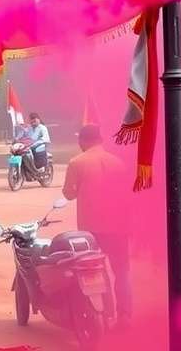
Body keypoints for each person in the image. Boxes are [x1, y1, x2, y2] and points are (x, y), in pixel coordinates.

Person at [62, 124, 132, 326]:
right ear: (100, 140)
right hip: (119, 227)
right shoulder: (118, 162)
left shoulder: (77, 162)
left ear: (82, 141)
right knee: (122, 271)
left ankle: (102, 314)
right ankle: (125, 315)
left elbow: (69, 193)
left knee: (94, 271)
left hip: (91, 230)